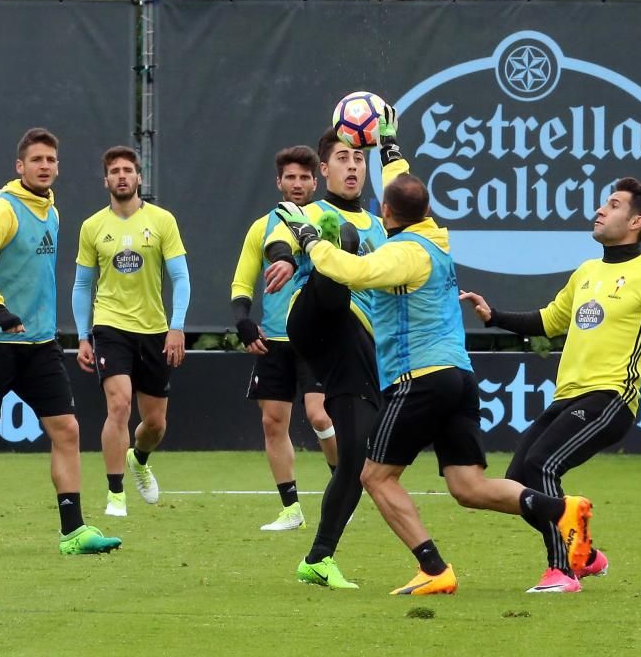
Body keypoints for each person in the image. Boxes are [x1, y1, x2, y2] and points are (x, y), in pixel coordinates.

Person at [276, 133, 596, 594]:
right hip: (459, 377)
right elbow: (402, 188)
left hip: (419, 378)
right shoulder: (435, 235)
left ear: (386, 214)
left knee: (375, 476)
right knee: (469, 487)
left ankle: (433, 568)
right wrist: (390, 149)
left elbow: (350, 272)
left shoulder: (403, 253)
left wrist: (309, 240)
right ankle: (558, 509)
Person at [461, 177, 641, 584]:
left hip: (611, 398)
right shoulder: (587, 272)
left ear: (636, 221)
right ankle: (585, 555)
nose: (600, 210)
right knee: (518, 483)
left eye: (613, 204)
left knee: (541, 465)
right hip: (566, 398)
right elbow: (550, 320)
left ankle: (562, 570)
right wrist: (494, 315)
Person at [0, 127, 121, 555]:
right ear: (20, 166)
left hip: (40, 344)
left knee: (66, 428)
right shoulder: (2, 210)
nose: (45, 166)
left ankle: (73, 531)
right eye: (37, 160)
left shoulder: (52, 210)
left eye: (51, 160)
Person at [262, 111, 406, 589]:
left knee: (357, 460)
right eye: (341, 159)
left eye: (358, 159)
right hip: (316, 318)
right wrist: (284, 257)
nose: (351, 167)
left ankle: (318, 558)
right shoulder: (313, 212)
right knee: (337, 245)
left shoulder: (382, 224)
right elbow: (281, 232)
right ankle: (324, 258)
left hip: (356, 347)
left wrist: (390, 145)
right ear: (323, 170)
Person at [72, 146, 191, 517]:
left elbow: (180, 277)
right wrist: (82, 335)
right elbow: (81, 285)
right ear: (105, 180)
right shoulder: (92, 227)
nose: (121, 176)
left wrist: (177, 327)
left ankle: (139, 458)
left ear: (139, 178)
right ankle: (115, 493)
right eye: (115, 171)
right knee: (119, 404)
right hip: (109, 327)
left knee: (155, 424)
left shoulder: (162, 221)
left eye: (128, 170)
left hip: (155, 331)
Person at [230, 145, 339, 531]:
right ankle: (291, 509)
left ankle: (341, 483)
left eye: (304, 178)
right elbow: (243, 281)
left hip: (317, 337)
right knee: (273, 423)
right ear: (279, 182)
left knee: (319, 414)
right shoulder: (263, 227)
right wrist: (243, 320)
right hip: (274, 340)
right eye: (289, 177)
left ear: (316, 181)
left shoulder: (329, 221)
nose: (297, 184)